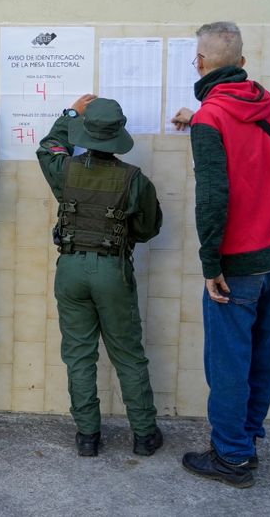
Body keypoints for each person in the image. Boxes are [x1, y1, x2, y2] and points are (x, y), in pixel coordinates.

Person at [171, 21, 270, 488]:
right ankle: (246, 439)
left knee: (228, 364)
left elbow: (213, 200)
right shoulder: (264, 100)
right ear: (242, 65)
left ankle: (230, 457)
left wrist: (211, 265)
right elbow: (250, 150)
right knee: (264, 355)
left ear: (200, 63)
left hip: (240, 262)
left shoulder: (212, 119)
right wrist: (199, 120)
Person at [36, 96, 164, 457]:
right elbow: (148, 227)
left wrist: (71, 114)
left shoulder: (65, 170)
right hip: (112, 269)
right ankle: (143, 435)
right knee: (128, 355)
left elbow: (48, 146)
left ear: (86, 133)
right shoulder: (135, 180)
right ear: (118, 135)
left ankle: (88, 437)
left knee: (79, 355)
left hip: (71, 269)